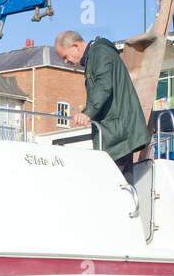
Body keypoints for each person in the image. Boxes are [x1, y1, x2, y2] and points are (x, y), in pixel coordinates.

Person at [55, 29, 150, 175]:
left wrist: (88, 113)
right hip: (116, 131)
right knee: (120, 183)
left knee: (119, 184)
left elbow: (104, 85)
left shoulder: (100, 53)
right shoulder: (97, 55)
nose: (66, 62)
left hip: (118, 134)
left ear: (75, 46)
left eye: (65, 57)